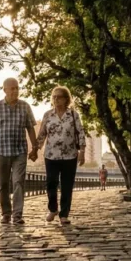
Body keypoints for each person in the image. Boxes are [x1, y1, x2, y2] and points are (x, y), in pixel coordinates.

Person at [0, 78, 38, 225]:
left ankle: (17, 215)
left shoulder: (25, 107)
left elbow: (30, 128)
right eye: (12, 88)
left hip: (20, 151)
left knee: (18, 182)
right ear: (5, 90)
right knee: (2, 184)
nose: (15, 91)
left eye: (17, 88)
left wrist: (34, 148)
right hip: (1, 151)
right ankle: (6, 214)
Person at [36, 86, 86, 225]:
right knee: (51, 183)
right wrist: (35, 150)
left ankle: (64, 214)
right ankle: (53, 209)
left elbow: (80, 133)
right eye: (54, 97)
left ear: (66, 99)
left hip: (70, 155)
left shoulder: (73, 115)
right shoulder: (48, 115)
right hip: (51, 155)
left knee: (67, 185)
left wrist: (82, 152)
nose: (56, 99)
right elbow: (41, 134)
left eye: (59, 97)